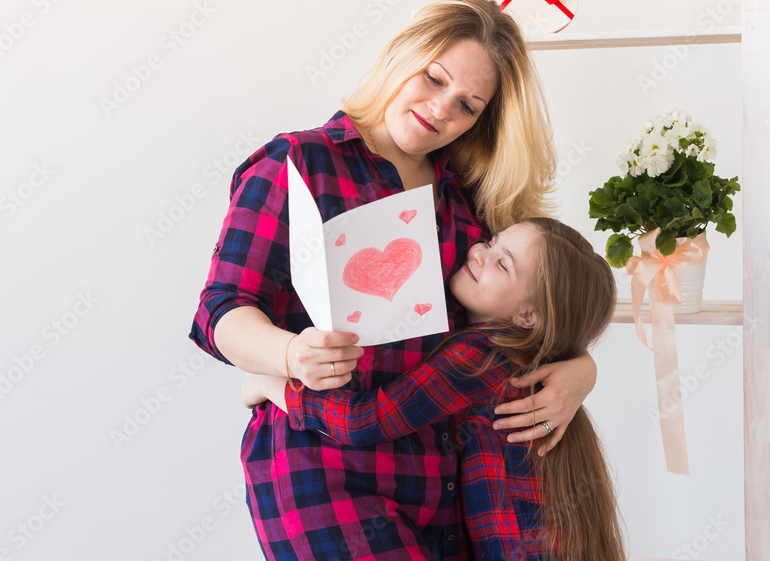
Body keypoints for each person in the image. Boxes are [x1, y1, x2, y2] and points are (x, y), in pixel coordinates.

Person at [188, 0, 599, 560]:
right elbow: (221, 308)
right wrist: (289, 356)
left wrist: (581, 367)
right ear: (403, 53)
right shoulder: (299, 164)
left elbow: (527, 307)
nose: (441, 109)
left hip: (447, 481)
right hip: (323, 467)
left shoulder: (471, 201)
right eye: (433, 78)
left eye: (467, 105)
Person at [243, 217, 627, 561]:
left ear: (530, 315)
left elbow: (365, 420)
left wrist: (274, 385)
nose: (479, 252)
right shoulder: (520, 357)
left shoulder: (480, 356)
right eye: (492, 242)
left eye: (502, 263)